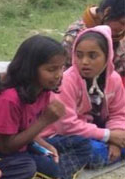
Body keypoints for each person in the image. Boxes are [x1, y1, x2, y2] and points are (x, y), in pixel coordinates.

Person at [0, 35, 91, 179]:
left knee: (82, 144)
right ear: (30, 69)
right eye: (51, 69)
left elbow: (26, 129)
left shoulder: (43, 90)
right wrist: (45, 121)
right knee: (32, 167)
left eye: (61, 68)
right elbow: (6, 146)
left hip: (24, 146)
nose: (58, 74)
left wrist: (46, 146)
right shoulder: (10, 99)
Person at [49, 26, 125, 167]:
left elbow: (119, 113)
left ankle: (112, 150)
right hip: (64, 135)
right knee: (95, 152)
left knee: (118, 140)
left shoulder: (114, 79)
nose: (84, 61)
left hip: (96, 129)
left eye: (92, 55)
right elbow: (67, 126)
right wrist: (108, 136)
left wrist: (116, 137)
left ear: (107, 56)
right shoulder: (66, 81)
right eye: (79, 55)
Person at [61, 0, 125, 81]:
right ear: (107, 12)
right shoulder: (76, 36)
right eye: (122, 23)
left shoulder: (117, 34)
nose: (123, 28)